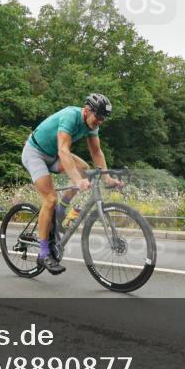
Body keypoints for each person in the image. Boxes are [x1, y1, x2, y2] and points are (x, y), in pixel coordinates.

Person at [21, 93, 121, 275]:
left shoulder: (92, 125)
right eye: (98, 117)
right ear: (86, 110)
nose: (100, 121)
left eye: (103, 119)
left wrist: (106, 178)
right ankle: (43, 253)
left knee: (85, 168)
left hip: (52, 156)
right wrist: (77, 180)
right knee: (50, 199)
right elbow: (63, 150)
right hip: (35, 152)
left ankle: (62, 209)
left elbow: (97, 152)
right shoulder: (70, 116)